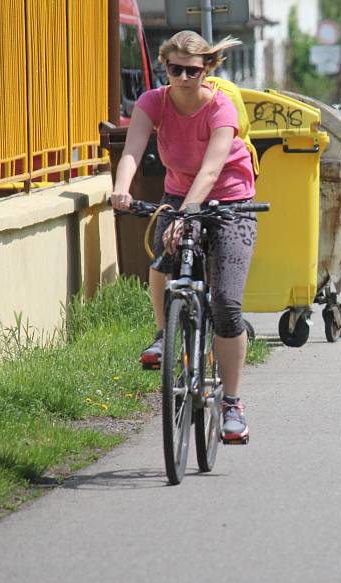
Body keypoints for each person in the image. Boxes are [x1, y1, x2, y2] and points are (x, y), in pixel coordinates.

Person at [110, 31, 255, 443]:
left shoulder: (220, 108)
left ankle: (231, 403)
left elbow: (211, 172)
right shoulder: (153, 102)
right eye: (176, 69)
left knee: (226, 303)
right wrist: (122, 187)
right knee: (163, 257)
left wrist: (187, 214)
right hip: (180, 194)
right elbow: (133, 151)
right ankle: (163, 333)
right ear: (164, 67)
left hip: (231, 201)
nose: (185, 77)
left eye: (194, 70)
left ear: (207, 69)